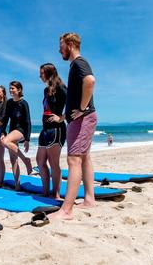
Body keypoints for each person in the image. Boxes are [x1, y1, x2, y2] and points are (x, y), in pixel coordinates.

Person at [50, 32, 97, 221]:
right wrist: (65, 116)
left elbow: (90, 81)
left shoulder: (78, 63)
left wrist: (82, 109)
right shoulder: (76, 65)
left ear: (69, 44)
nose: (59, 49)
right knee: (84, 158)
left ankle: (66, 210)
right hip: (82, 118)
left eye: (61, 45)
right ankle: (89, 199)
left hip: (83, 119)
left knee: (74, 160)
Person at [36, 63, 67, 198]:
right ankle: (45, 191)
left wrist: (61, 118)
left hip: (56, 130)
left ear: (49, 73)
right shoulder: (46, 90)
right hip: (45, 129)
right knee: (40, 160)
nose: (39, 76)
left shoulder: (61, 88)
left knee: (54, 163)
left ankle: (56, 194)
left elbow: (75, 103)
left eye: (41, 73)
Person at [1, 81, 33, 190]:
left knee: (5, 142)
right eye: (10, 88)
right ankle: (17, 185)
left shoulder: (24, 103)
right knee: (13, 160)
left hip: (21, 130)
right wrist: (2, 132)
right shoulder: (9, 102)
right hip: (12, 130)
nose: (10, 90)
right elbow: (5, 119)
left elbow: (28, 121)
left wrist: (27, 139)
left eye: (13, 88)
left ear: (19, 90)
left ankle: (26, 160)